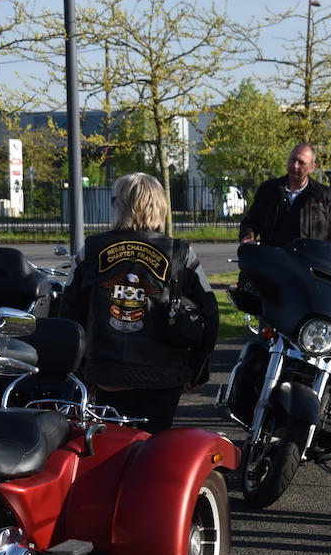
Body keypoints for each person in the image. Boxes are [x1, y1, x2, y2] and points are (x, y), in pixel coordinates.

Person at [59, 172, 219, 433]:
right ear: (159, 205)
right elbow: (210, 312)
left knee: (113, 446)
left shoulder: (91, 250)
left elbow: (68, 314)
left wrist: (78, 370)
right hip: (164, 374)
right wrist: (199, 370)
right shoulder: (180, 253)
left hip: (108, 372)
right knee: (156, 448)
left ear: (120, 205)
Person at [238, 143, 331, 246]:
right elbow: (251, 221)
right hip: (273, 254)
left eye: (301, 163)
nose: (295, 166)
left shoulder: (324, 196)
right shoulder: (269, 190)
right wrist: (248, 235)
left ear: (312, 167)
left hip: (309, 255)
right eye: (293, 160)